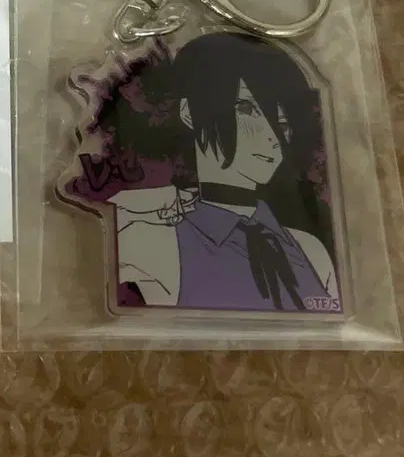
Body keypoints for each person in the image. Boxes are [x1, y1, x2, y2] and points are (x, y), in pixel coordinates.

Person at [108, 33, 339, 312]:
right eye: (247, 109)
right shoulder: (151, 241)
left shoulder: (310, 251)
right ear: (189, 112)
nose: (272, 137)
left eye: (281, 122)